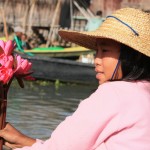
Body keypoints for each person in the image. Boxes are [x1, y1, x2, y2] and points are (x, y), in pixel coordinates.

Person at [0, 7, 150, 150]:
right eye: (96, 51)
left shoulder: (114, 94)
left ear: (133, 55)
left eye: (104, 50)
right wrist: (22, 141)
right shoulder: (144, 93)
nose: (96, 60)